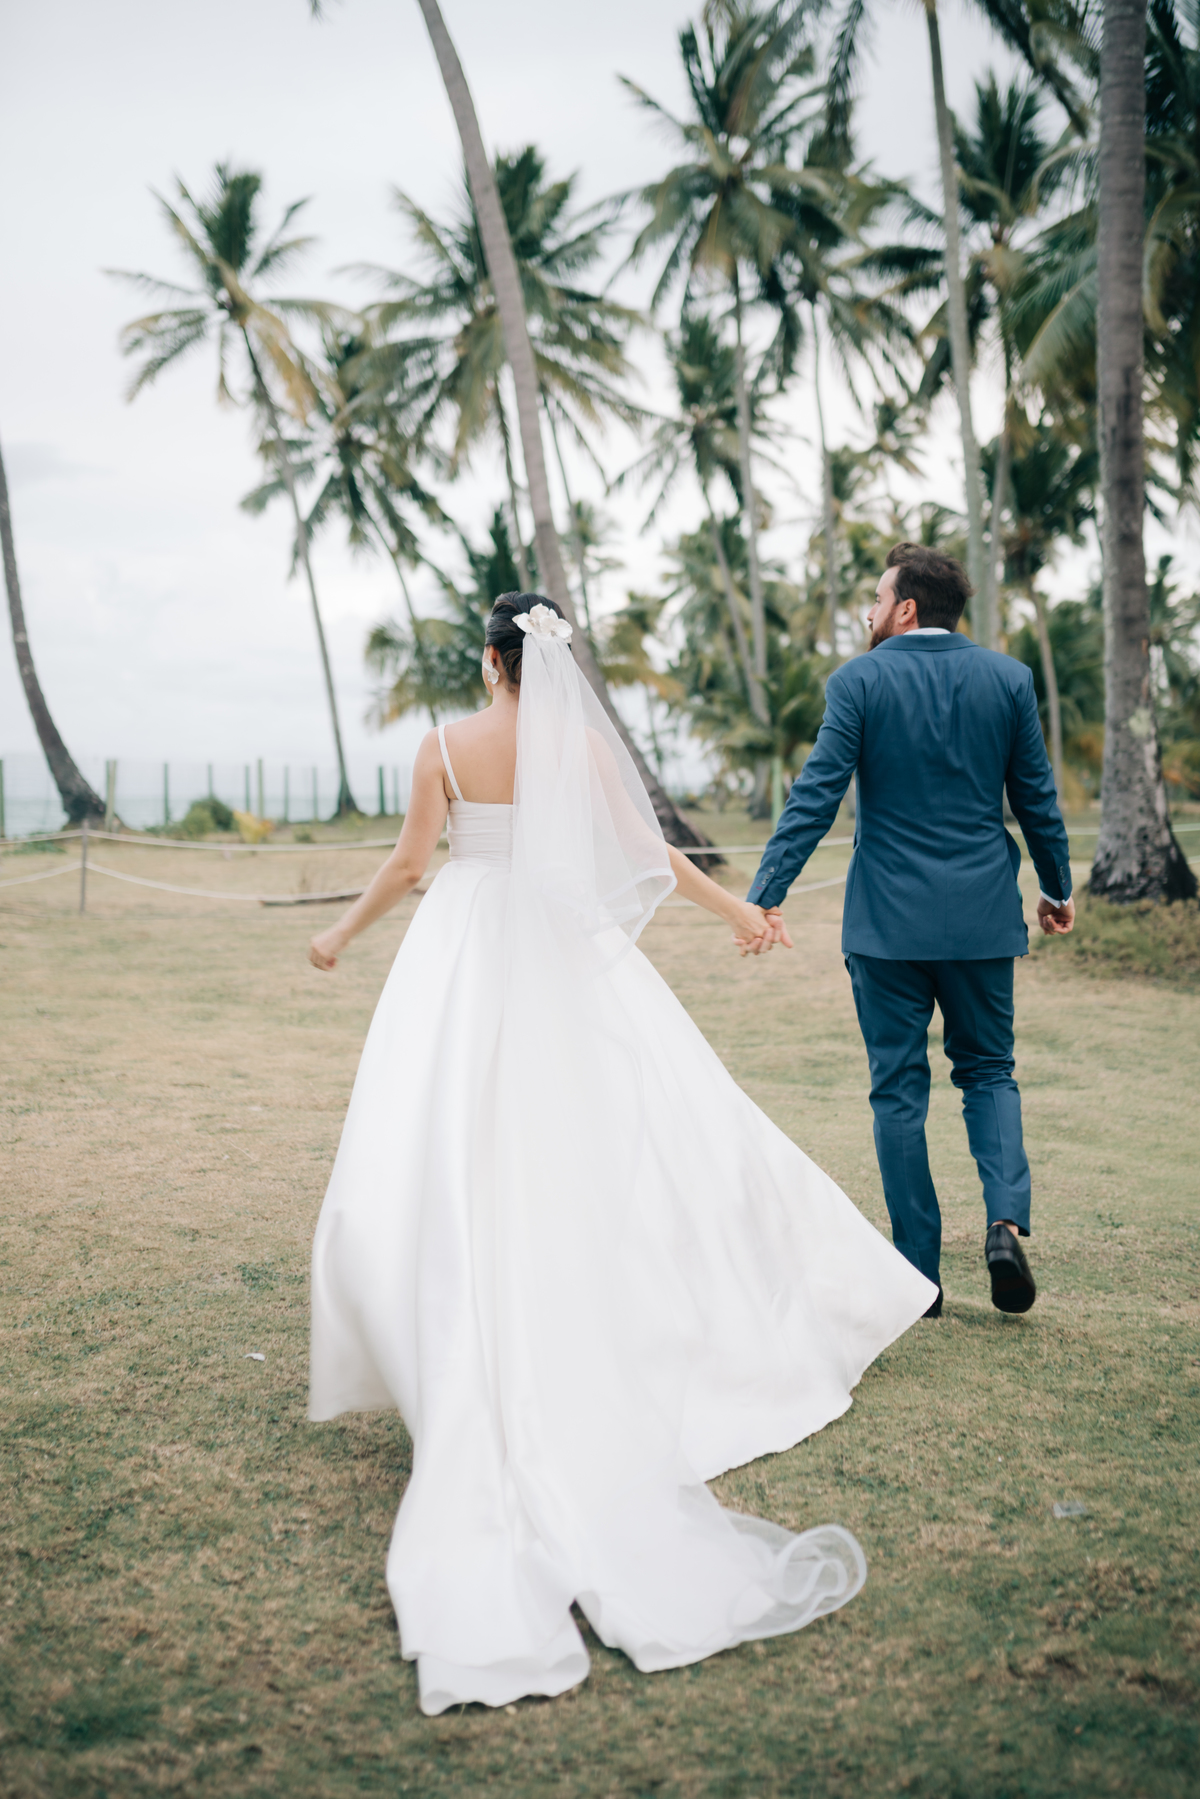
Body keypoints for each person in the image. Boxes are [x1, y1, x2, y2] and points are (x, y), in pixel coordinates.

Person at [306, 591, 936, 1716]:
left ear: (491, 663)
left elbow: (412, 867)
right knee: (626, 1137)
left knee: (448, 1146)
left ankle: (467, 1333)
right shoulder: (584, 747)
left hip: (464, 952)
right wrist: (738, 909)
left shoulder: (443, 744)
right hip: (558, 953)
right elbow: (651, 855)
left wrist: (339, 934)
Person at [745, 543, 1074, 1321]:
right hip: (983, 920)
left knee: (898, 1091)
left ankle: (916, 1275)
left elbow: (816, 797)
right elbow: (1037, 800)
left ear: (906, 609)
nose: (868, 611)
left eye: (876, 597)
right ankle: (1003, 1223)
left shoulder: (859, 680)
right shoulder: (1009, 679)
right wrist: (1055, 887)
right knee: (990, 1072)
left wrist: (766, 894)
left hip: (886, 926)